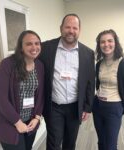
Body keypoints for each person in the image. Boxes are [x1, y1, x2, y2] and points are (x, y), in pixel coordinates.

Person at [39, 13, 95, 150]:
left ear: (79, 30)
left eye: (75, 28)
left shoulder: (88, 53)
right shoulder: (45, 48)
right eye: (67, 27)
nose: (71, 31)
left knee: (70, 142)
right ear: (61, 28)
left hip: (75, 107)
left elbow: (90, 82)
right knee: (53, 143)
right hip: (53, 107)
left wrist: (87, 106)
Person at [0, 30, 44, 150]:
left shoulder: (39, 65)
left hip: (31, 122)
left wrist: (37, 117)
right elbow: (1, 99)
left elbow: (41, 95)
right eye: (29, 44)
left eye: (37, 43)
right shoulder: (7, 65)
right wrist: (17, 122)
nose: (34, 47)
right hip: (10, 123)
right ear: (21, 47)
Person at [92, 29, 124, 150]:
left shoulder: (123, 64)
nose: (106, 44)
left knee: (110, 145)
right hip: (98, 106)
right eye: (102, 42)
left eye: (110, 41)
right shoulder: (99, 64)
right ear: (99, 45)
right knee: (101, 141)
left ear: (115, 43)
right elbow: (98, 85)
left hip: (114, 107)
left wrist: (121, 108)